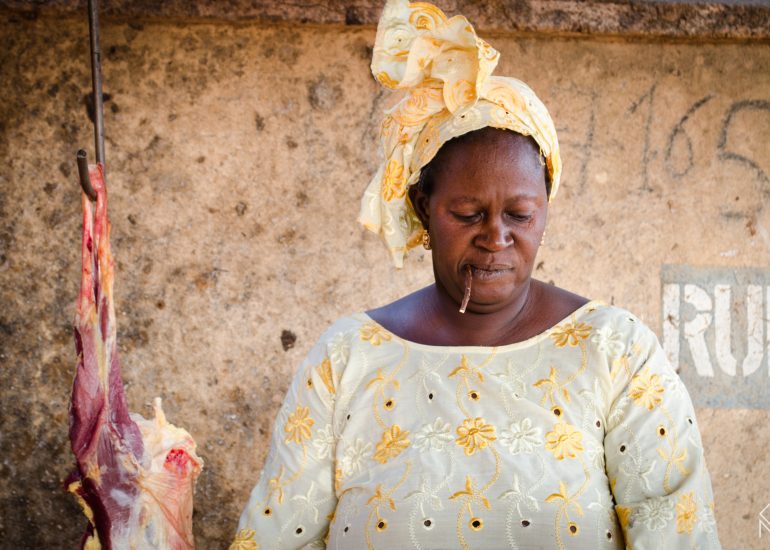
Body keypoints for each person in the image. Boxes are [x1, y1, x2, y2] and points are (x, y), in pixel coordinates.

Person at [232, 0, 721, 548]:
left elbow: (676, 529)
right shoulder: (347, 358)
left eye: (520, 215)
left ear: (546, 206)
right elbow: (279, 535)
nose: (496, 236)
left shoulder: (615, 352)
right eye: (467, 215)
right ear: (422, 206)